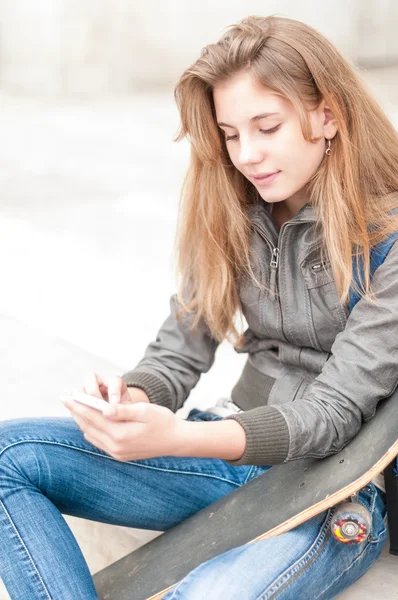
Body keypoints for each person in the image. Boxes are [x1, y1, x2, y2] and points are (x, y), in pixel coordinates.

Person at [1, 14, 398, 600]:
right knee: (8, 454)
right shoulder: (231, 208)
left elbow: (332, 413)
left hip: (331, 491)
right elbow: (178, 350)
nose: (247, 155)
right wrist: (129, 402)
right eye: (231, 134)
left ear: (327, 115)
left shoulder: (388, 237)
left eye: (267, 127)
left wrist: (177, 440)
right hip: (229, 460)